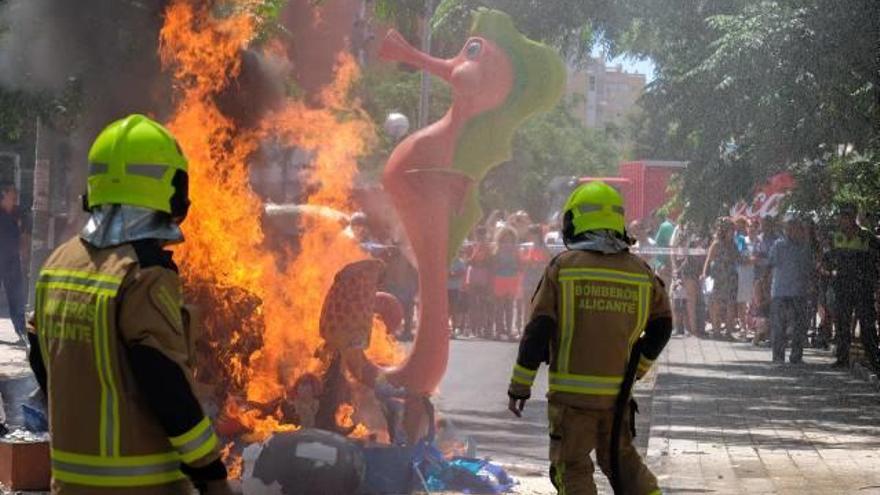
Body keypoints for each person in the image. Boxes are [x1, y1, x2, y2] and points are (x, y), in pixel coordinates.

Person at [27, 115, 234, 495]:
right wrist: (210, 470)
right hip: (143, 486)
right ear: (169, 191)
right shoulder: (143, 273)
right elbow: (163, 378)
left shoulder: (58, 262)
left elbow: (43, 360)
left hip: (70, 482)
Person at [507, 181, 671, 495]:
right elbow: (663, 325)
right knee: (623, 466)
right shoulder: (641, 271)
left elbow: (538, 330)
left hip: (572, 401)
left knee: (572, 469)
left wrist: (520, 386)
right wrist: (638, 369)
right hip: (617, 397)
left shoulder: (563, 268)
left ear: (576, 221)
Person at [823, 204, 880, 369]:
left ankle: (874, 359)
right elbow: (826, 259)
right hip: (842, 286)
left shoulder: (866, 236)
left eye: (847, 216)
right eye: (842, 216)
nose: (843, 219)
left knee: (867, 324)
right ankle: (842, 358)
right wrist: (830, 271)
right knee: (842, 323)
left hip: (863, 286)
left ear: (853, 216)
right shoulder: (836, 237)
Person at [767, 216, 814, 364]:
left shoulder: (805, 247)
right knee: (779, 326)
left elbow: (809, 269)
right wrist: (764, 285)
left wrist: (811, 285)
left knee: (799, 326)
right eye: (789, 229)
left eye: (796, 229)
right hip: (781, 291)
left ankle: (796, 356)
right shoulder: (778, 245)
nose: (792, 232)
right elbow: (770, 264)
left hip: (799, 291)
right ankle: (778, 357)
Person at [0, 182, 28, 344]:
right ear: (3, 195)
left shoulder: (17, 213)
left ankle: (22, 331)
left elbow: (23, 235)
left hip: (12, 261)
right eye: (12, 195)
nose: (15, 198)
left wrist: (23, 253)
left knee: (16, 297)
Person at [702, 218, 739, 338]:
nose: (733, 233)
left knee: (730, 304)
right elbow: (708, 259)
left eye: (733, 230)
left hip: (731, 278)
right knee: (716, 304)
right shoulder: (717, 244)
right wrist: (704, 274)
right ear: (724, 231)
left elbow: (737, 258)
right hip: (718, 278)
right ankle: (716, 331)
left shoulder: (733, 244)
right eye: (730, 230)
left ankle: (729, 332)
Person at [490, 227, 521, 340]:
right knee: (499, 307)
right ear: (500, 239)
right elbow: (493, 266)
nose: (508, 242)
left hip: (512, 279)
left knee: (509, 306)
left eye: (510, 240)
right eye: (505, 240)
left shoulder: (515, 251)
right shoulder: (497, 250)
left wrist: (516, 267)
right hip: (499, 279)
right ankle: (498, 331)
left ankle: (509, 331)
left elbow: (520, 265)